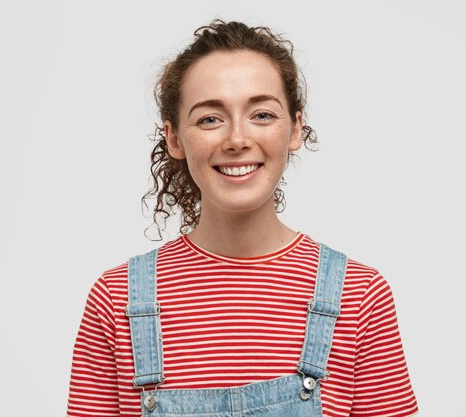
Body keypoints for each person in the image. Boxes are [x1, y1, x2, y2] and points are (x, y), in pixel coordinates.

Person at [67, 19, 418, 417]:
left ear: (295, 129)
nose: (237, 139)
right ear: (175, 138)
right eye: (210, 119)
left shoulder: (359, 296)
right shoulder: (116, 301)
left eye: (262, 115)